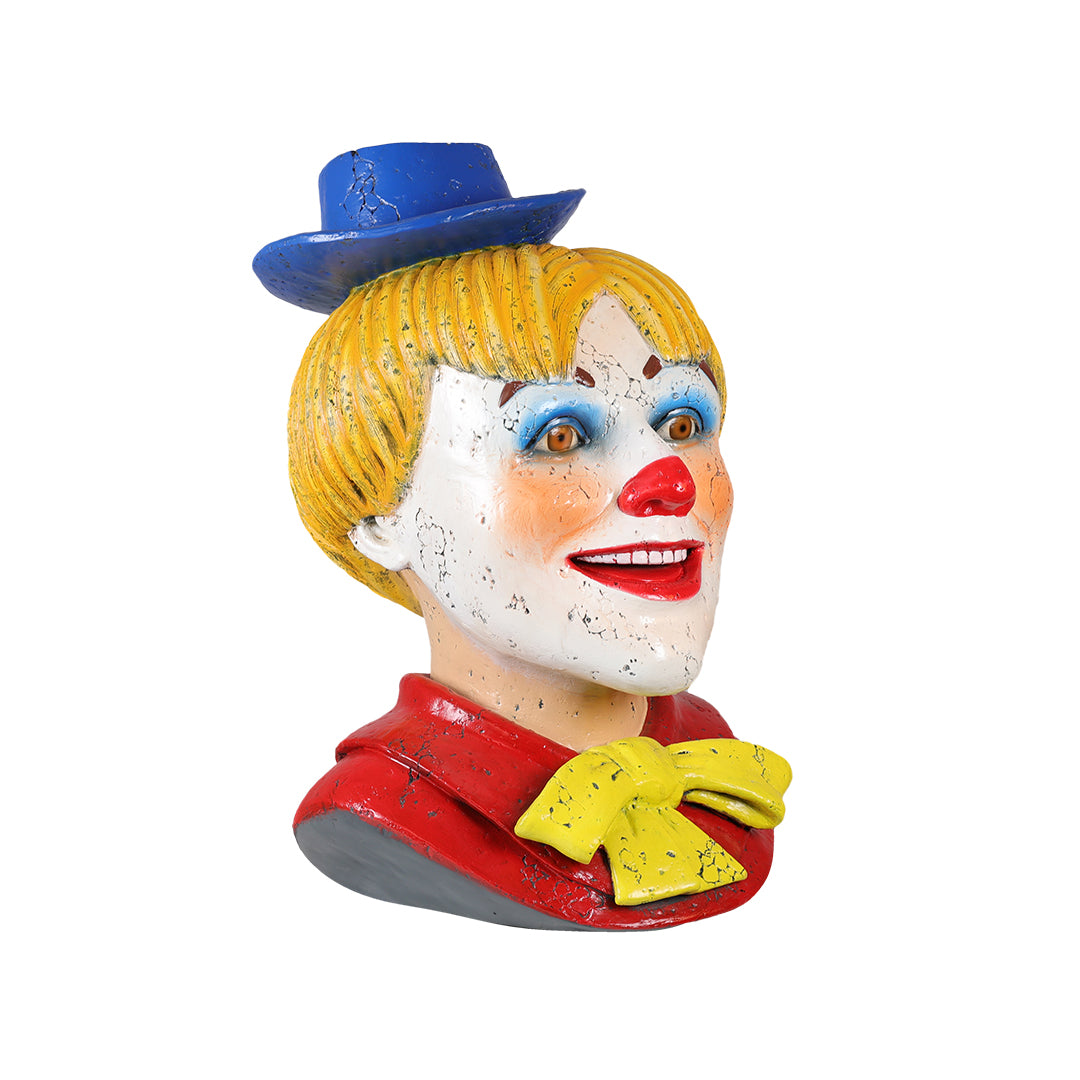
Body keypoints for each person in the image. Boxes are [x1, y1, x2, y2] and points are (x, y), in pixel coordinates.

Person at [256, 144, 790, 930]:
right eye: (560, 436)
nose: (670, 480)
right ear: (380, 520)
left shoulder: (706, 752)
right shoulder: (379, 801)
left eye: (683, 422)